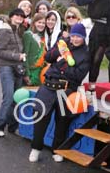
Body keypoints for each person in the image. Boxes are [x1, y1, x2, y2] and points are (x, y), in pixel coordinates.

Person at [28, 23, 90, 163]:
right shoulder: (62, 43)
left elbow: (78, 75)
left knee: (62, 122)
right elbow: (48, 57)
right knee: (40, 118)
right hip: (48, 86)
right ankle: (36, 148)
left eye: (78, 37)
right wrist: (58, 53)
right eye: (73, 35)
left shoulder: (85, 54)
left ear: (84, 38)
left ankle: (57, 150)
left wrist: (62, 64)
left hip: (66, 90)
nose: (75, 39)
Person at [0, 8, 27, 137]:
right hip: (7, 67)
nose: (19, 17)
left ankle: (12, 127)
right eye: (16, 15)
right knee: (8, 97)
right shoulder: (4, 30)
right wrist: (16, 56)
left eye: (21, 16)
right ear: (11, 16)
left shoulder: (18, 31)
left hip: (18, 68)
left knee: (16, 98)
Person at [23, 13, 47, 86]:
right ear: (34, 23)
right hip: (31, 71)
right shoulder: (28, 34)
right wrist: (27, 74)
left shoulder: (43, 36)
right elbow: (25, 55)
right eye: (39, 22)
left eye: (43, 23)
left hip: (40, 71)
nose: (41, 25)